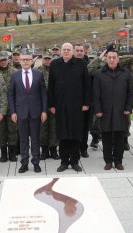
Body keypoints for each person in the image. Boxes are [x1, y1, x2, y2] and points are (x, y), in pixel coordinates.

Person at [48, 43, 91, 172]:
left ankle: (75, 161)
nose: (66, 51)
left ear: (73, 51)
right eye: (64, 50)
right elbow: (51, 86)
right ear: (60, 51)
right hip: (60, 105)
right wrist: (51, 105)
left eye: (69, 50)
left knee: (76, 134)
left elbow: (87, 85)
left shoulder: (81, 64)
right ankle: (64, 161)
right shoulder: (55, 64)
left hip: (77, 105)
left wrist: (86, 103)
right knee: (63, 134)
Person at [93, 49, 133, 170]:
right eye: (109, 57)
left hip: (121, 111)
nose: (111, 59)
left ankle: (118, 161)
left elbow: (130, 92)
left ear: (118, 58)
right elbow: (95, 94)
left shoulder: (126, 73)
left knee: (119, 138)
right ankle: (108, 161)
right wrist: (98, 110)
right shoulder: (99, 74)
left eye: (114, 57)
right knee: (106, 137)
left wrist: (128, 108)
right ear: (106, 58)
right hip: (105, 111)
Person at [8, 51, 48, 173]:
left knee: (35, 139)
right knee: (23, 140)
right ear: (19, 61)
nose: (25, 61)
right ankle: (24, 163)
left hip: (36, 112)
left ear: (32, 61)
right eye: (23, 59)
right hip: (21, 113)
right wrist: (13, 112)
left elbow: (43, 94)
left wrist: (44, 111)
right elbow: (11, 95)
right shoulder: (14, 76)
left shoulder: (38, 74)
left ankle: (36, 162)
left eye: (28, 59)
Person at [0, 51, 18, 162]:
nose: (3, 62)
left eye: (5, 59)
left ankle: (12, 153)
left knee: (12, 130)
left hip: (12, 106)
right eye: (1, 60)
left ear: (8, 59)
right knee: (0, 131)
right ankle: (3, 153)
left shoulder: (14, 72)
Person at [37, 51, 59, 160]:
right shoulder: (37, 71)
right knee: (43, 128)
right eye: (45, 58)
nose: (47, 60)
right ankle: (44, 151)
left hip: (54, 103)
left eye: (48, 58)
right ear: (42, 59)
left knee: (54, 127)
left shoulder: (56, 70)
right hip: (41, 104)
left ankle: (53, 150)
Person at [74, 43, 91, 158]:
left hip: (85, 101)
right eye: (77, 51)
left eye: (81, 50)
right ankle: (74, 147)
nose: (80, 52)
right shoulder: (70, 63)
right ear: (74, 52)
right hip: (73, 101)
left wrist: (87, 102)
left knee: (85, 126)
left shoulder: (89, 64)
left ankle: (83, 148)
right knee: (74, 126)